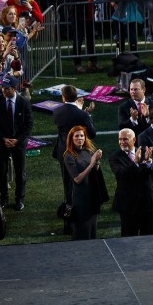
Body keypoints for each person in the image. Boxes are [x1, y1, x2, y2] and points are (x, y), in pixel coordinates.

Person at [52, 85, 97, 229]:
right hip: (78, 154)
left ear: (63, 97)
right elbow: (91, 133)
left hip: (62, 151)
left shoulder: (57, 111)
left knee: (67, 183)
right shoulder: (81, 115)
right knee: (80, 182)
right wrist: (86, 114)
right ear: (77, 97)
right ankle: (78, 214)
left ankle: (69, 215)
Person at [0, 75, 34, 212]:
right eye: (2, 88)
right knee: (2, 171)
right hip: (1, 142)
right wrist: (3, 139)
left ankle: (19, 199)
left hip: (18, 142)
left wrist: (18, 140)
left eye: (6, 89)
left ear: (14, 88)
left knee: (20, 172)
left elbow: (29, 124)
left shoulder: (24, 102)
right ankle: (4, 198)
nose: (3, 91)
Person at [109, 128, 153, 237]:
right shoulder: (115, 157)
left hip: (148, 202)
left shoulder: (144, 152)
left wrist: (149, 162)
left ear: (134, 140)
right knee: (129, 238)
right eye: (120, 139)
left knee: (149, 237)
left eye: (125, 139)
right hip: (128, 205)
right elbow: (121, 174)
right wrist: (135, 162)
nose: (122, 142)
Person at [63, 124, 108, 240]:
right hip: (80, 197)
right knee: (81, 229)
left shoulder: (88, 151)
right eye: (76, 136)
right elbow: (77, 179)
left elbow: (94, 171)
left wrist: (96, 162)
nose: (80, 138)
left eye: (82, 136)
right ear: (71, 139)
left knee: (92, 228)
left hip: (92, 195)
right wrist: (92, 163)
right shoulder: (69, 156)